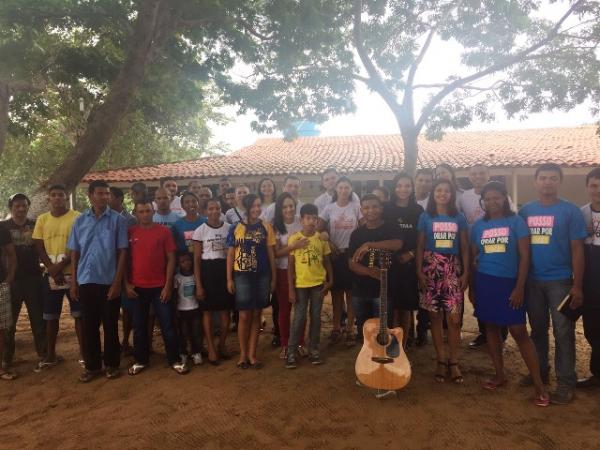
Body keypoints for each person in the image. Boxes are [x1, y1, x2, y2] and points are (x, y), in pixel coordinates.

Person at [470, 182, 549, 406]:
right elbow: (474, 257)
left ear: (505, 198)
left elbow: (525, 257)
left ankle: (538, 385)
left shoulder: (516, 222)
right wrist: (474, 288)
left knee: (519, 331)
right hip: (486, 281)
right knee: (491, 328)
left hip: (510, 284)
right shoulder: (478, 226)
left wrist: (519, 287)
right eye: (488, 199)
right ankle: (499, 374)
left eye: (496, 198)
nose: (492, 202)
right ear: (482, 201)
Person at [518, 163, 587, 404]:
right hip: (532, 281)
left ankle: (566, 382)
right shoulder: (526, 211)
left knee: (563, 332)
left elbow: (578, 250)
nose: (547, 182)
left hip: (560, 281)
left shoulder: (570, 211)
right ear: (535, 182)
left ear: (560, 181)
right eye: (543, 178)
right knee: (537, 330)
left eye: (552, 178)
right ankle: (540, 371)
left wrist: (577, 285)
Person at [68, 180, 128, 382]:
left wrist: (117, 283)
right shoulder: (79, 221)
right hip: (85, 281)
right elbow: (75, 253)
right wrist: (74, 281)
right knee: (89, 326)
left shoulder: (118, 220)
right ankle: (92, 367)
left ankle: (112, 365)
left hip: (109, 281)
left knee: (111, 325)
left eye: (107, 193)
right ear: (90, 195)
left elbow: (122, 253)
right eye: (100, 193)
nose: (105, 197)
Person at [126, 199, 187, 376]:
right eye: (141, 211)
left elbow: (171, 259)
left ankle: (174, 359)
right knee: (138, 326)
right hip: (137, 288)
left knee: (168, 324)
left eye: (147, 211)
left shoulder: (164, 232)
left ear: (153, 212)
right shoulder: (130, 232)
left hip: (160, 286)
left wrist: (168, 285)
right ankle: (141, 360)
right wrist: (126, 284)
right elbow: (125, 260)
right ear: (136, 214)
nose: (145, 214)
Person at [416, 178, 469, 384]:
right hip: (430, 270)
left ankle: (454, 361)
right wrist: (419, 271)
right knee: (435, 318)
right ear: (433, 193)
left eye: (447, 191)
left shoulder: (459, 217)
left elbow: (464, 247)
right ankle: (440, 360)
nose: (442, 194)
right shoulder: (425, 216)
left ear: (452, 194)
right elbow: (420, 246)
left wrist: (465, 273)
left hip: (453, 270)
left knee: (454, 320)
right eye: (438, 190)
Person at [32, 185, 84, 371]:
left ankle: (84, 355)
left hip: (74, 274)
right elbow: (39, 246)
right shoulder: (42, 219)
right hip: (50, 276)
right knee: (50, 317)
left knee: (79, 316)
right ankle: (51, 355)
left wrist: (60, 267)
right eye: (53, 195)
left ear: (66, 197)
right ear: (49, 199)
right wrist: (51, 269)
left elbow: (77, 246)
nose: (57, 198)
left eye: (60, 195)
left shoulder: (77, 217)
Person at [459, 164, 509, 349]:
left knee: (499, 295)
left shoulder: (499, 193)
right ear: (469, 176)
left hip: (496, 247)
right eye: (474, 173)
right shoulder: (464, 196)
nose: (478, 176)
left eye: (481, 173)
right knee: (479, 295)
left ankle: (501, 337)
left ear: (487, 175)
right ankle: (484, 333)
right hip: (474, 247)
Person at [226, 193, 276, 369]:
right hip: (242, 276)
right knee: (244, 315)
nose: (256, 209)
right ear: (246, 208)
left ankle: (253, 354)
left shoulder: (266, 227)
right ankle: (242, 354)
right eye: (253, 206)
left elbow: (271, 254)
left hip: (262, 275)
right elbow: (231, 254)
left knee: (256, 314)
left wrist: (273, 278)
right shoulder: (235, 228)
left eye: (258, 205)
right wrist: (229, 279)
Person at [349, 194, 403, 343]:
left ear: (381, 208)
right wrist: (370, 272)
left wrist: (370, 245)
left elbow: (397, 244)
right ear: (361, 210)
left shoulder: (391, 227)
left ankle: (383, 362)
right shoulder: (356, 234)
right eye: (366, 207)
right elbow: (351, 263)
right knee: (364, 333)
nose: (370, 210)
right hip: (360, 291)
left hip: (383, 292)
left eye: (374, 206)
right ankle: (367, 363)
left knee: (383, 333)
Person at [1, 194, 46, 372]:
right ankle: (6, 358)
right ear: (11, 207)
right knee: (8, 322)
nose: (21, 209)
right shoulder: (3, 226)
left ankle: (43, 354)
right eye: (17, 205)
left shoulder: (35, 224)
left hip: (34, 278)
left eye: (24, 205)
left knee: (38, 319)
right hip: (11, 280)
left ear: (28, 207)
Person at [285, 203, 333, 369]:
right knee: (299, 318)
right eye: (308, 218)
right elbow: (290, 265)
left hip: (318, 284)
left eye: (314, 218)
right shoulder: (295, 239)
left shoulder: (321, 238)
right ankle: (291, 351)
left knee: (316, 317)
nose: (311, 221)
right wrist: (291, 288)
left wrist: (330, 280)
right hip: (300, 285)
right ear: (301, 219)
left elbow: (327, 261)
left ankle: (313, 349)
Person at [319, 176, 362, 346]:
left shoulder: (356, 207)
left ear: (351, 189)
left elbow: (364, 226)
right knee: (336, 294)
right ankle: (336, 327)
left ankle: (350, 328)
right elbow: (319, 228)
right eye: (341, 187)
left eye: (347, 187)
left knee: (351, 294)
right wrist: (327, 240)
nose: (343, 190)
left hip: (351, 255)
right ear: (336, 189)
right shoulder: (329, 208)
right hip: (335, 255)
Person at [383, 173, 424, 347]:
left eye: (407, 185)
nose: (403, 189)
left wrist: (412, 254)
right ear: (394, 188)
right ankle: (390, 343)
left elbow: (423, 239)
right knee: (390, 307)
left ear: (412, 188)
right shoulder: (386, 209)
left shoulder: (418, 210)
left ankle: (403, 343)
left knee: (406, 308)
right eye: (399, 185)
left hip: (409, 264)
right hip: (388, 264)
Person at [193, 198, 235, 363]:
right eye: (210, 209)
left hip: (224, 271)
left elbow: (231, 253)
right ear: (205, 211)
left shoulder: (229, 228)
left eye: (217, 208)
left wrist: (230, 278)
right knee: (208, 313)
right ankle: (210, 347)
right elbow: (196, 260)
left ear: (221, 210)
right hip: (207, 272)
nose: (214, 212)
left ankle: (222, 345)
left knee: (225, 312)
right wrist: (199, 285)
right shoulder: (200, 231)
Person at [272, 193, 305, 359]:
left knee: (301, 309)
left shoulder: (301, 220)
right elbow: (276, 253)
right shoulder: (276, 226)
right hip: (282, 270)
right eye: (284, 207)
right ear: (280, 208)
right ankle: (285, 344)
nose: (289, 209)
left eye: (291, 205)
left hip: (302, 271)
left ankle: (300, 342)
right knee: (285, 309)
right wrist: (294, 246)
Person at [579, 167, 600, 388]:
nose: (598, 190)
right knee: (592, 328)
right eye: (594, 185)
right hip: (589, 277)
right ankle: (597, 374)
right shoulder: (581, 213)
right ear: (587, 187)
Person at [109, 187, 136, 356]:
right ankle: (113, 343)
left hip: (126, 269)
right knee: (110, 311)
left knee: (127, 311)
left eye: (109, 196)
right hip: (107, 270)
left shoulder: (131, 220)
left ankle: (126, 341)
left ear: (119, 199)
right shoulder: (104, 219)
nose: (106, 199)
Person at [174, 252, 203, 366]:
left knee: (196, 332)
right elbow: (175, 295)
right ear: (178, 264)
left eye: (188, 260)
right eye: (182, 261)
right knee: (183, 333)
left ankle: (196, 352)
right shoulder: (177, 278)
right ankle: (183, 353)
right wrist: (175, 310)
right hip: (182, 310)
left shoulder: (196, 275)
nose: (186, 263)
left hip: (195, 309)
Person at [0, 222, 17, 380]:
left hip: (0, 284)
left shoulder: (1, 229)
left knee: (1, 328)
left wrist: (9, 278)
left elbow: (11, 255)